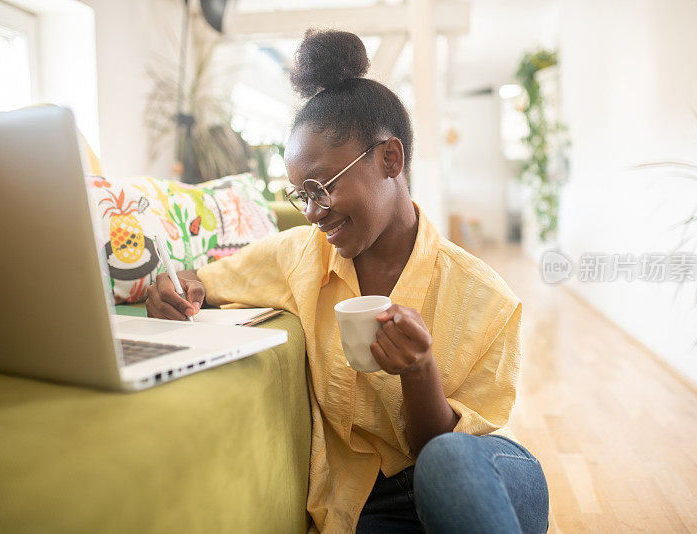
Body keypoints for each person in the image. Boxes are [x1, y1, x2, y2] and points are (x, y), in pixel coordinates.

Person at [146, 29, 549, 534]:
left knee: (449, 463)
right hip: (371, 506)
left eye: (321, 187)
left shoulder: (487, 300)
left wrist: (420, 369)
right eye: (301, 195)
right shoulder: (300, 257)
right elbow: (198, 279)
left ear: (390, 159)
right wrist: (176, 290)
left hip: (476, 475)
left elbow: (438, 454)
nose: (312, 213)